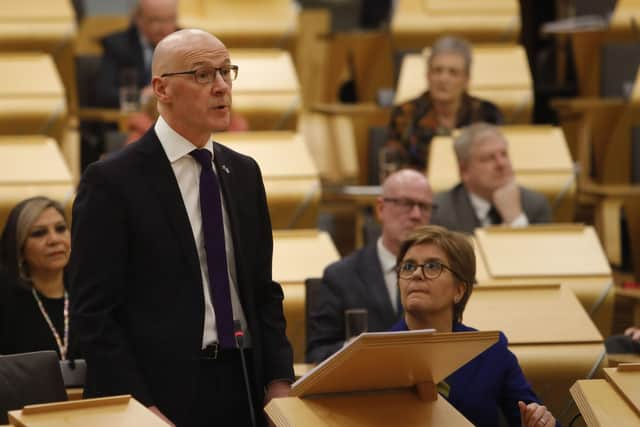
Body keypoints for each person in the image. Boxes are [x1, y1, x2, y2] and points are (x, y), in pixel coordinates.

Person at [69, 29, 293, 426]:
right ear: (162, 88)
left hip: (242, 381)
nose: (222, 86)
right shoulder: (112, 181)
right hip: (158, 393)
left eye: (227, 72)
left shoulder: (243, 172)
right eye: (203, 75)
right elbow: (95, 313)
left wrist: (279, 381)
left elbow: (262, 290)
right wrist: (139, 407)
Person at [391, 225, 558, 427]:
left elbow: (530, 415)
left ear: (459, 290)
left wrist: (538, 420)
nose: (417, 274)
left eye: (433, 266)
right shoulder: (373, 354)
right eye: (408, 266)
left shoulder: (489, 351)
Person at [306, 169, 433, 363]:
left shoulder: (443, 274)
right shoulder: (340, 276)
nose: (416, 215)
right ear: (380, 209)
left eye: (424, 206)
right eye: (406, 204)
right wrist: (354, 350)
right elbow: (317, 353)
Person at [385, 35, 503, 170]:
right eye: (437, 71)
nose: (443, 79)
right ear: (427, 75)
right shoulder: (405, 114)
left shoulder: (487, 114)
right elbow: (393, 166)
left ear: (466, 79)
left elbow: (496, 162)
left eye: (453, 72)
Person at [431, 122, 551, 233]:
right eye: (488, 158)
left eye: (504, 154)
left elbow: (537, 255)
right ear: (464, 170)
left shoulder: (535, 205)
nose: (501, 164)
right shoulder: (440, 212)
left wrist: (515, 220)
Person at [0, 197, 75, 360]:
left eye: (61, 229)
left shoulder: (90, 295)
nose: (54, 240)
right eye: (39, 233)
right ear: (19, 246)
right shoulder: (6, 302)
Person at [95, 0, 179, 108]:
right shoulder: (117, 45)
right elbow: (103, 94)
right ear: (138, 19)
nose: (163, 27)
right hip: (131, 118)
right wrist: (142, 97)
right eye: (155, 20)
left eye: (169, 19)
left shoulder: (187, 43)